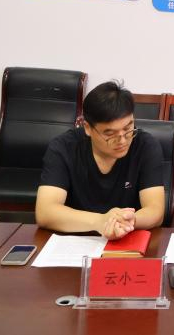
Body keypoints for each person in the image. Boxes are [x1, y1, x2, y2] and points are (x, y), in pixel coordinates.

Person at [35, 81, 165, 240]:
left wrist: (130, 221)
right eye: (110, 134)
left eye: (128, 129)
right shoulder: (63, 148)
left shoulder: (145, 146)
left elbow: (155, 210)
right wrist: (100, 221)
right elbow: (45, 212)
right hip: (76, 241)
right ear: (88, 128)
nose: (122, 140)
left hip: (127, 239)